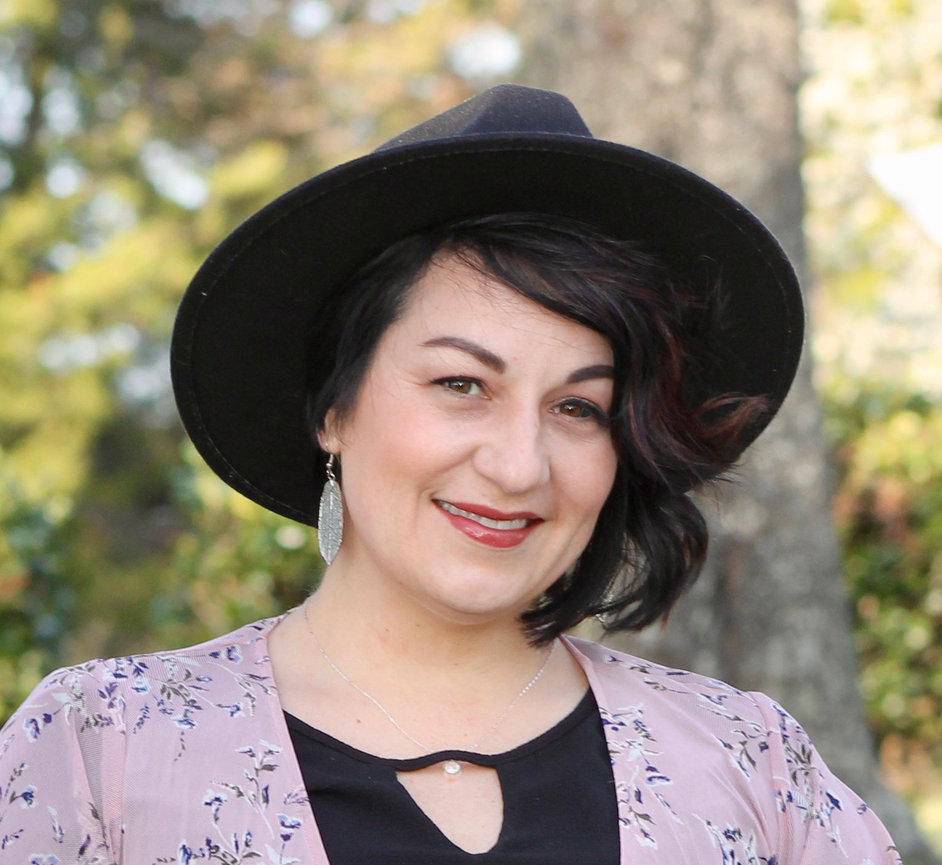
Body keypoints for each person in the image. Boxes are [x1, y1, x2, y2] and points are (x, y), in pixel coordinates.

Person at [0, 85, 900, 865]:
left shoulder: (748, 763)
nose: (518, 463)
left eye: (578, 407)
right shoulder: (103, 749)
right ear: (333, 408)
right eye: (462, 384)